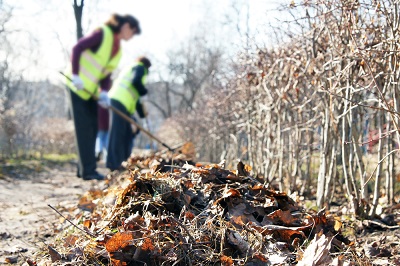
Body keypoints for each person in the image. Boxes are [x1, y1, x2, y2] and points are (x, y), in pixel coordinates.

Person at [65, 14, 141, 180]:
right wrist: (76, 75)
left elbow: (106, 74)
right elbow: (77, 49)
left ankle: (84, 169)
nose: (131, 35)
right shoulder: (103, 33)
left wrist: (105, 92)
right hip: (76, 85)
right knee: (84, 129)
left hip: (90, 91)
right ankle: (88, 171)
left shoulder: (118, 50)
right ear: (125, 25)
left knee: (93, 128)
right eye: (132, 31)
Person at [106, 56, 151, 171]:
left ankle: (124, 161)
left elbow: (135, 99)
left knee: (126, 132)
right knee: (118, 132)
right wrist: (144, 91)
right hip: (119, 100)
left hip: (123, 103)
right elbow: (135, 82)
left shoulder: (132, 68)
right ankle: (114, 163)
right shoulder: (140, 68)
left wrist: (142, 114)